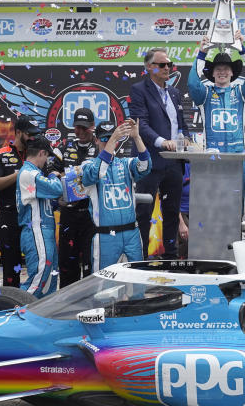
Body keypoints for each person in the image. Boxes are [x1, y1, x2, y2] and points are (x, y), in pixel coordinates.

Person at [130, 47, 188, 258]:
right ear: (149, 67)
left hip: (174, 162)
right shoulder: (139, 89)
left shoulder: (174, 92)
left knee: (172, 211)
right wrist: (163, 142)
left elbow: (181, 124)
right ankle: (141, 257)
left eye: (169, 64)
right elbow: (140, 124)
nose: (167, 68)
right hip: (149, 161)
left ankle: (171, 257)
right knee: (144, 212)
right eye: (162, 64)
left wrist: (186, 139)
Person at [83, 120, 151, 270]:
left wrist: (137, 138)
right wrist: (113, 139)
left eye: (112, 138)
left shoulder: (126, 163)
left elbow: (145, 166)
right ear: (96, 140)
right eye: (105, 139)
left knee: (137, 283)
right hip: (106, 236)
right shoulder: (87, 165)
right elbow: (96, 173)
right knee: (102, 288)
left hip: (131, 233)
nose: (109, 142)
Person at [187, 32, 245, 153]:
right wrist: (202, 53)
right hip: (212, 156)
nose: (222, 72)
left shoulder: (241, 92)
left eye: (226, 69)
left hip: (238, 156)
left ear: (232, 73)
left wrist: (242, 49)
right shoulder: (205, 94)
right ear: (212, 73)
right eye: (218, 69)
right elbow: (193, 83)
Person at [0, 115, 40, 286]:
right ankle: (11, 307)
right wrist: (18, 175)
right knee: (11, 267)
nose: (33, 138)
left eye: (35, 134)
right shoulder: (0, 155)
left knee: (36, 263)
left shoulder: (38, 154)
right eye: (29, 134)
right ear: (18, 132)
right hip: (8, 217)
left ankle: (33, 304)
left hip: (32, 217)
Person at [51, 107, 98, 286]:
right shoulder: (64, 147)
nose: (80, 131)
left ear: (92, 126)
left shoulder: (100, 147)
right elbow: (49, 169)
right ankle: (65, 308)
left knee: (90, 263)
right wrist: (63, 177)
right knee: (67, 264)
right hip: (69, 214)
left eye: (84, 127)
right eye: (77, 127)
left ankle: (89, 304)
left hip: (91, 215)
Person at [17, 137, 64, 297]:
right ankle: (15, 310)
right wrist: (52, 174)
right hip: (36, 230)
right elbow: (56, 188)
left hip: (46, 231)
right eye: (47, 157)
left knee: (50, 282)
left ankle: (42, 319)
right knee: (39, 277)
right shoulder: (28, 173)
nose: (47, 161)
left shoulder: (35, 173)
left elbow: (47, 202)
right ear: (42, 153)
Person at [177, 163, 190, 259]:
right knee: (188, 238)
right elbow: (170, 200)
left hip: (198, 210)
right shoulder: (181, 167)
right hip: (179, 211)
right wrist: (181, 224)